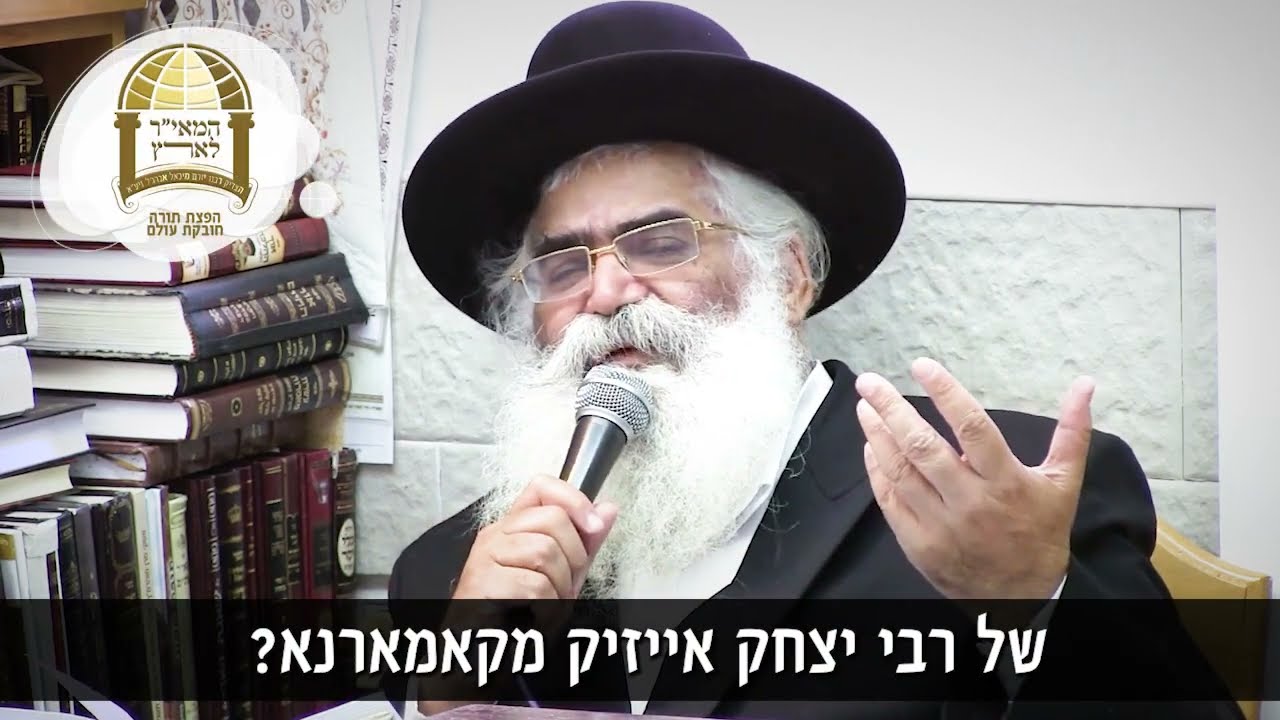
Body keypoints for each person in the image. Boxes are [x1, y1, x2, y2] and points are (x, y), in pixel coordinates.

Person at [388, 3, 1242, 718]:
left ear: (788, 277)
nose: (606, 291)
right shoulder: (449, 576)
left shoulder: (1001, 501)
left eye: (661, 240)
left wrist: (1031, 598)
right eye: (563, 264)